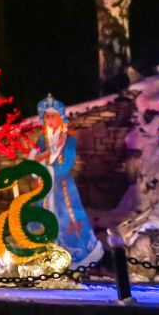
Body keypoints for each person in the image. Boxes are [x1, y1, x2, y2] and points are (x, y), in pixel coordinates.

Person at [31, 96, 103, 266]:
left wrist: (49, 171)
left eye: (53, 116)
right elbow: (34, 159)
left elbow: (66, 164)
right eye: (47, 117)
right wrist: (39, 169)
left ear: (60, 118)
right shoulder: (42, 140)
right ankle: (43, 254)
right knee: (42, 216)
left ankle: (74, 258)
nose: (49, 120)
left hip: (62, 187)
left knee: (67, 218)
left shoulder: (69, 140)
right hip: (44, 188)